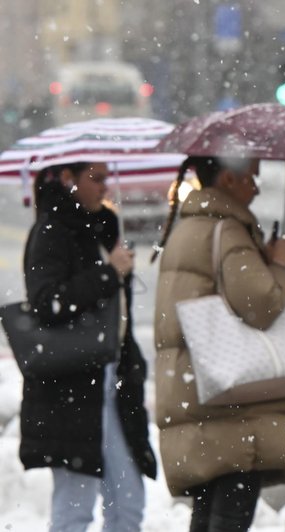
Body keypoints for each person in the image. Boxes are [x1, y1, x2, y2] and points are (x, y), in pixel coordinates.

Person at [152, 156, 285, 531]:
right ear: (228, 178)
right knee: (231, 514)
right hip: (236, 403)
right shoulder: (228, 230)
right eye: (251, 179)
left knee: (208, 511)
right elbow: (260, 304)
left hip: (199, 391)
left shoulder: (187, 227)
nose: (257, 188)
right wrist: (278, 263)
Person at [21, 162, 158, 531]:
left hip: (114, 380)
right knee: (75, 504)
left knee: (128, 499)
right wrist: (107, 272)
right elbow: (47, 303)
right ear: (68, 180)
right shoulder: (52, 230)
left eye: (106, 177)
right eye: (95, 178)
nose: (105, 187)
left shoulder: (104, 228)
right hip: (71, 387)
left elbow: (115, 315)